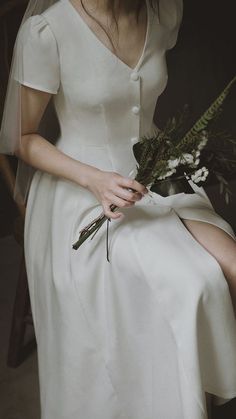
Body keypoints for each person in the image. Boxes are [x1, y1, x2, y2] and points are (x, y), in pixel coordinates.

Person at [0, 0, 236, 418]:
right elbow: (21, 138)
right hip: (79, 187)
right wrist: (94, 179)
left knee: (232, 268)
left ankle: (196, 395)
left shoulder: (163, 12)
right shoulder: (47, 31)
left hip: (157, 173)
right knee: (193, 281)